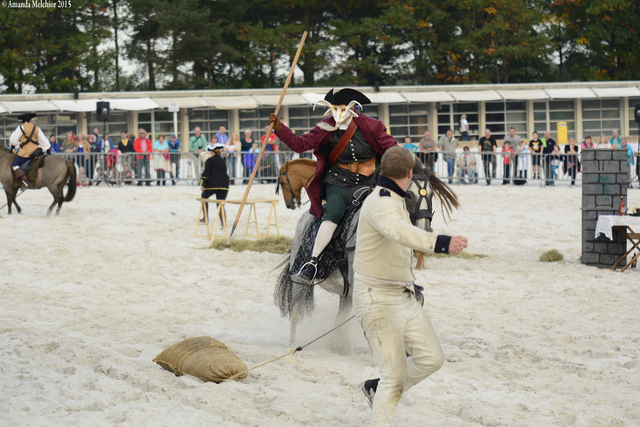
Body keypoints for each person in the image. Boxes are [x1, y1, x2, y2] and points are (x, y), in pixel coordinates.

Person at [355, 146, 468, 427]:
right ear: (409, 174)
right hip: (377, 298)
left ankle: (374, 387)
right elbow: (401, 232)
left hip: (402, 295)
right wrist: (441, 242)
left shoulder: (393, 197)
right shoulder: (381, 201)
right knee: (393, 374)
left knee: (432, 358)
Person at [269, 88, 397, 284]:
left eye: (343, 108)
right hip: (338, 181)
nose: (339, 112)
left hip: (370, 182)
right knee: (334, 212)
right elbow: (300, 144)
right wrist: (281, 129)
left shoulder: (372, 126)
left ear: (353, 108)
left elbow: (392, 148)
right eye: (335, 108)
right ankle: (313, 262)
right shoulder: (325, 126)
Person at [8, 113, 51, 187]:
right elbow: (45, 141)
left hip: (25, 152)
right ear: (30, 120)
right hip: (35, 151)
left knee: (14, 164)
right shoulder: (36, 128)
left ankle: (26, 181)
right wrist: (43, 149)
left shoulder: (21, 127)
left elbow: (12, 140)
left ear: (23, 121)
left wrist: (18, 144)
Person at [200, 143, 230, 224]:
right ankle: (223, 222)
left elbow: (206, 173)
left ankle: (205, 218)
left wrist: (203, 185)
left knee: (204, 197)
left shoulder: (209, 160)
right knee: (220, 204)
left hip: (212, 184)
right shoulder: (222, 161)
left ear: (212, 152)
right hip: (224, 185)